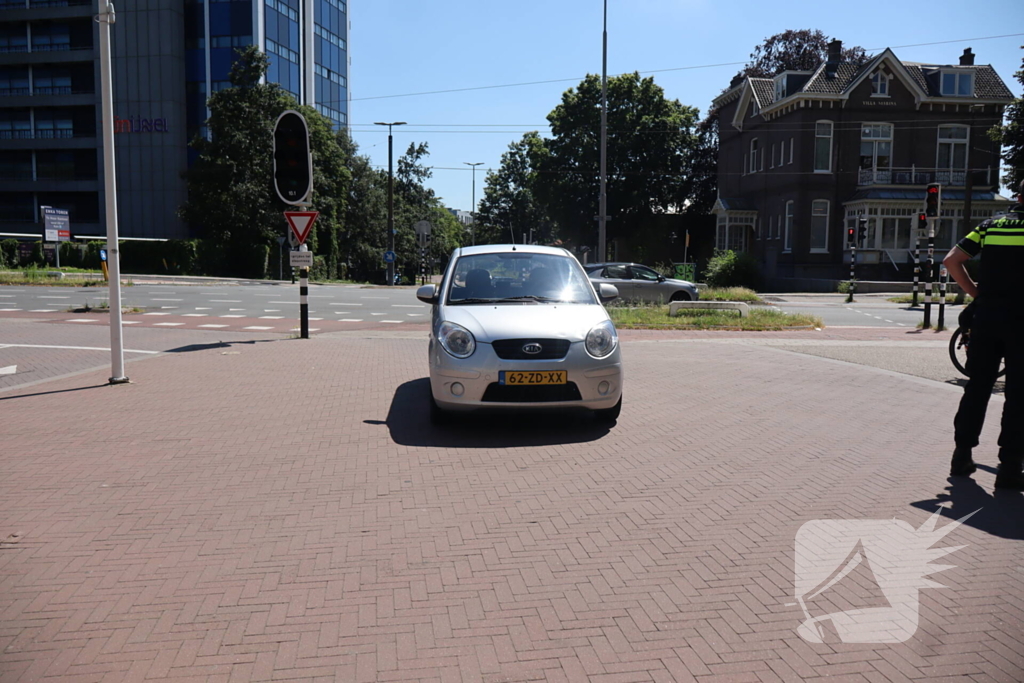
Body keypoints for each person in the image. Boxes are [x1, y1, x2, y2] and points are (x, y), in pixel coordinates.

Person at [943, 179, 1024, 489]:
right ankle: (1010, 467)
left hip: (987, 318)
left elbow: (951, 261)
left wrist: (977, 294)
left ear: (1019, 197)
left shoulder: (991, 226)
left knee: (977, 387)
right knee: (1018, 395)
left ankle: (962, 455)